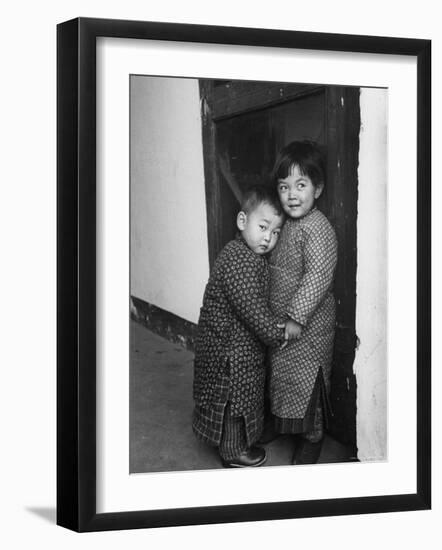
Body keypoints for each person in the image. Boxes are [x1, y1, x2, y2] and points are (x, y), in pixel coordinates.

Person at [192, 185, 289, 468]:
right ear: (242, 221)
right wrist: (274, 331)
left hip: (235, 343)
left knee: (243, 396)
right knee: (234, 399)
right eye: (263, 227)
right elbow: (251, 306)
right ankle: (233, 451)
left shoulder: (249, 256)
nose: (268, 238)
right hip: (228, 351)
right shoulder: (238, 259)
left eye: (275, 232)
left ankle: (243, 438)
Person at [266, 140, 338, 465]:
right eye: (284, 186)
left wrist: (296, 316)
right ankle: (285, 426)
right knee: (283, 382)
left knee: (309, 390)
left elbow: (318, 276)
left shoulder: (318, 229)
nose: (292, 194)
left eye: (301, 185)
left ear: (317, 188)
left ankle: (312, 439)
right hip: (283, 328)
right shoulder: (286, 223)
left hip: (308, 331)